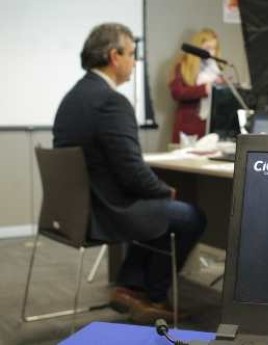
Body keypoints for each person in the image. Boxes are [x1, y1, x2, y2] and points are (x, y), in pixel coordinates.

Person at [53, 23, 206, 324]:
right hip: (107, 211)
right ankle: (153, 296)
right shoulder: (112, 102)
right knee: (189, 216)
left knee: (159, 209)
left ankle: (131, 286)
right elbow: (132, 172)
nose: (134, 63)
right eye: (132, 54)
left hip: (79, 209)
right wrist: (164, 190)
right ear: (114, 56)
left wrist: (156, 191)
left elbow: (125, 170)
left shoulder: (72, 98)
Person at [168, 28, 223, 143]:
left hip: (210, 126)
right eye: (207, 48)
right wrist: (204, 89)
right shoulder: (183, 65)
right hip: (188, 126)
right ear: (198, 47)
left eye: (214, 48)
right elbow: (177, 92)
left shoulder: (216, 68)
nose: (211, 52)